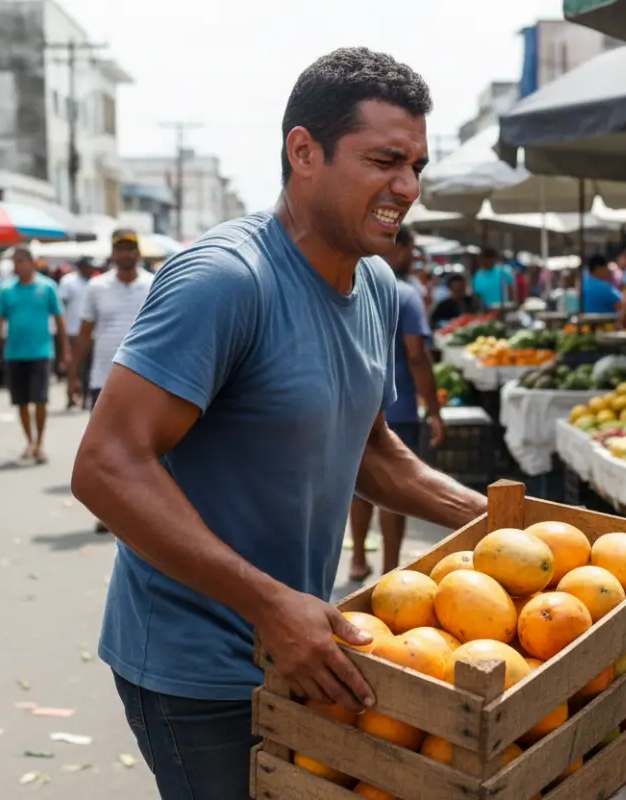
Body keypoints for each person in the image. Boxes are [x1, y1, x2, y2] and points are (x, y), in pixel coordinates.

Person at [71, 47, 487, 799]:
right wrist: (268, 604)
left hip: (304, 649)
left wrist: (496, 519)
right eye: (385, 161)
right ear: (304, 152)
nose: (408, 187)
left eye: (416, 166)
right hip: (198, 669)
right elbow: (106, 466)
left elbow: (371, 452)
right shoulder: (225, 281)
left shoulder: (376, 284)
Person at [348, 224, 446, 581]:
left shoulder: (353, 286)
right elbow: (416, 355)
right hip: (399, 407)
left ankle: (358, 559)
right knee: (396, 488)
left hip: (356, 406)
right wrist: (434, 410)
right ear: (399, 245)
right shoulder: (404, 294)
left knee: (358, 486)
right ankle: (391, 570)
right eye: (411, 250)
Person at [68, 229, 154, 534]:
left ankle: (145, 510)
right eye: (120, 249)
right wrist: (72, 374)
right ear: (113, 253)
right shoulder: (97, 287)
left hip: (146, 379)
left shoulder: (154, 284)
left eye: (130, 248)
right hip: (103, 377)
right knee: (105, 450)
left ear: (138, 253)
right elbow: (84, 333)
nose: (125, 254)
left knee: (144, 449)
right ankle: (107, 512)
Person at [0, 247, 69, 463]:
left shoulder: (47, 287)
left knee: (40, 399)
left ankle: (40, 442)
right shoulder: (7, 290)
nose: (19, 266)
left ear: (32, 263)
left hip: (41, 351)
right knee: (21, 401)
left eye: (22, 261)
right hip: (14, 353)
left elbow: (59, 319)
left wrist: (65, 350)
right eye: (16, 262)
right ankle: (30, 440)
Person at [59, 257, 95, 409]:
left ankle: (86, 397)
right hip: (73, 331)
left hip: (91, 332)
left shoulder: (94, 282)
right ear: (80, 267)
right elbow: (61, 306)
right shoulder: (69, 281)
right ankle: (70, 395)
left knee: (89, 368)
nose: (91, 270)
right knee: (74, 366)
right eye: (88, 267)